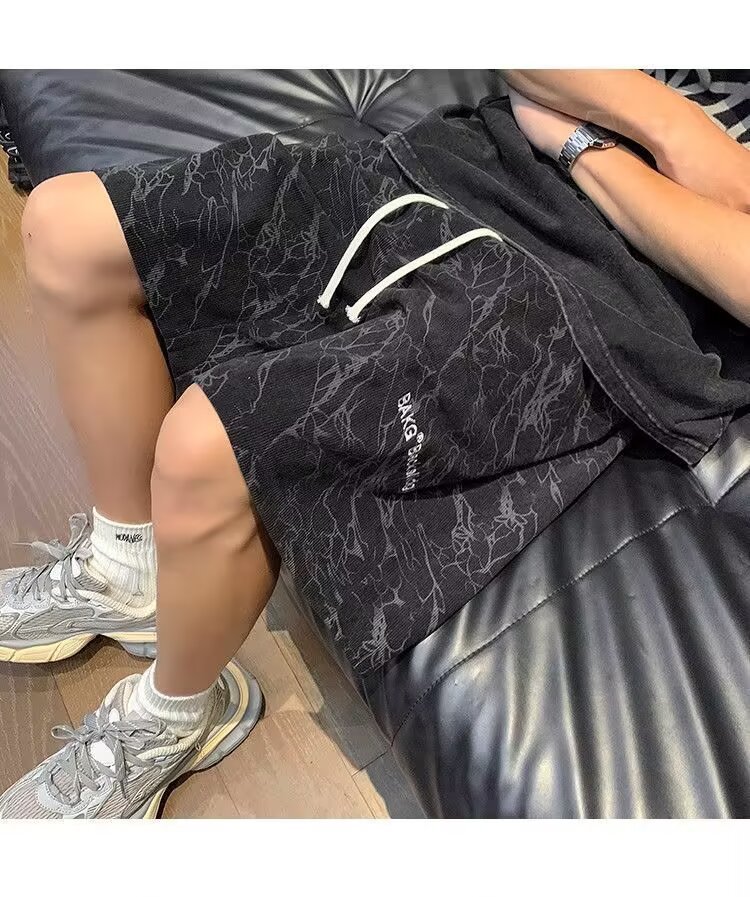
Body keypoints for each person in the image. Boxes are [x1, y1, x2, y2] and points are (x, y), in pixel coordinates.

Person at [1, 70, 749, 819]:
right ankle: (129, 567)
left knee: (210, 445)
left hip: (600, 304)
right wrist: (674, 131)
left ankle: (176, 715)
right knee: (66, 228)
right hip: (463, 159)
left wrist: (585, 141)